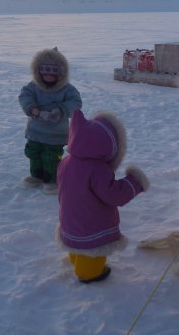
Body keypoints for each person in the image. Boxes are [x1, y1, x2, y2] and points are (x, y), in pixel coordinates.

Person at [56, 109, 150, 283]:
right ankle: (88, 272)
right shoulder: (98, 170)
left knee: (77, 239)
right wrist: (134, 182)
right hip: (92, 222)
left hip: (69, 217)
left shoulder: (67, 161)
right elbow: (114, 195)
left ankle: (75, 257)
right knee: (92, 248)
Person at [18, 47, 82, 194]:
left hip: (55, 134)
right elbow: (24, 96)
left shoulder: (68, 89)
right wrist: (33, 108)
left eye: (52, 73)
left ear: (60, 74)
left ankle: (51, 180)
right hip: (35, 131)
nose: (48, 76)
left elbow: (76, 103)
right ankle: (36, 175)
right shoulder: (33, 87)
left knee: (51, 157)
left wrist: (60, 111)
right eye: (45, 73)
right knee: (33, 152)